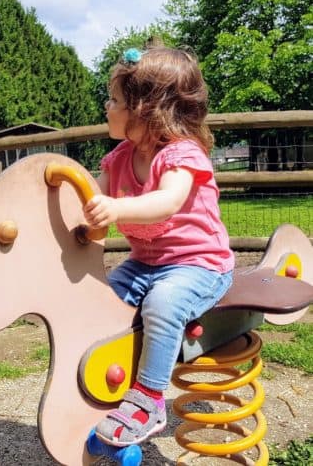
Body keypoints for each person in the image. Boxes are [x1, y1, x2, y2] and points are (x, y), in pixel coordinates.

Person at [83, 43, 235, 447]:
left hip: (200, 264)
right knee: (102, 300)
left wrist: (116, 207)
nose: (106, 105)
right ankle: (106, 378)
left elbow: (167, 201)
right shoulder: (116, 160)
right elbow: (86, 201)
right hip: (146, 263)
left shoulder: (182, 155)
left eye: (114, 99)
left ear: (146, 110)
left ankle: (149, 400)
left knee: (163, 304)